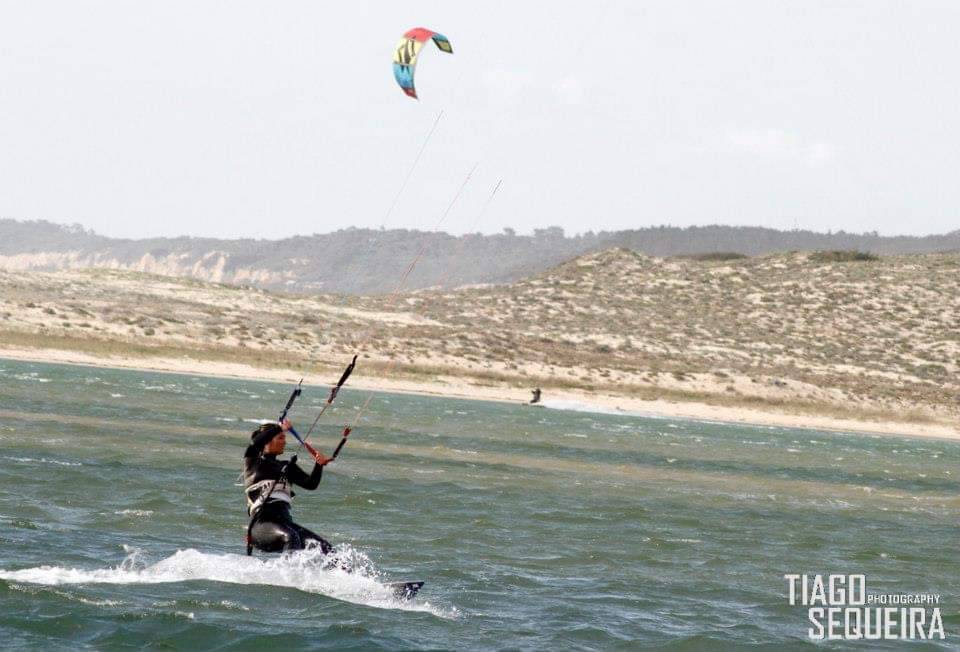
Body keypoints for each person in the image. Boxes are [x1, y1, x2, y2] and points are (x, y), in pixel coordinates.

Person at [244, 418, 333, 554]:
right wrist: (279, 428)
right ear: (267, 441)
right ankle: (288, 574)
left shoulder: (287, 466)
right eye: (280, 438)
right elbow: (255, 444)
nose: (284, 441)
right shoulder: (254, 462)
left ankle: (344, 575)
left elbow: (310, 484)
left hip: (285, 523)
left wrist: (319, 465)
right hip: (262, 526)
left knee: (325, 548)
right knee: (291, 537)